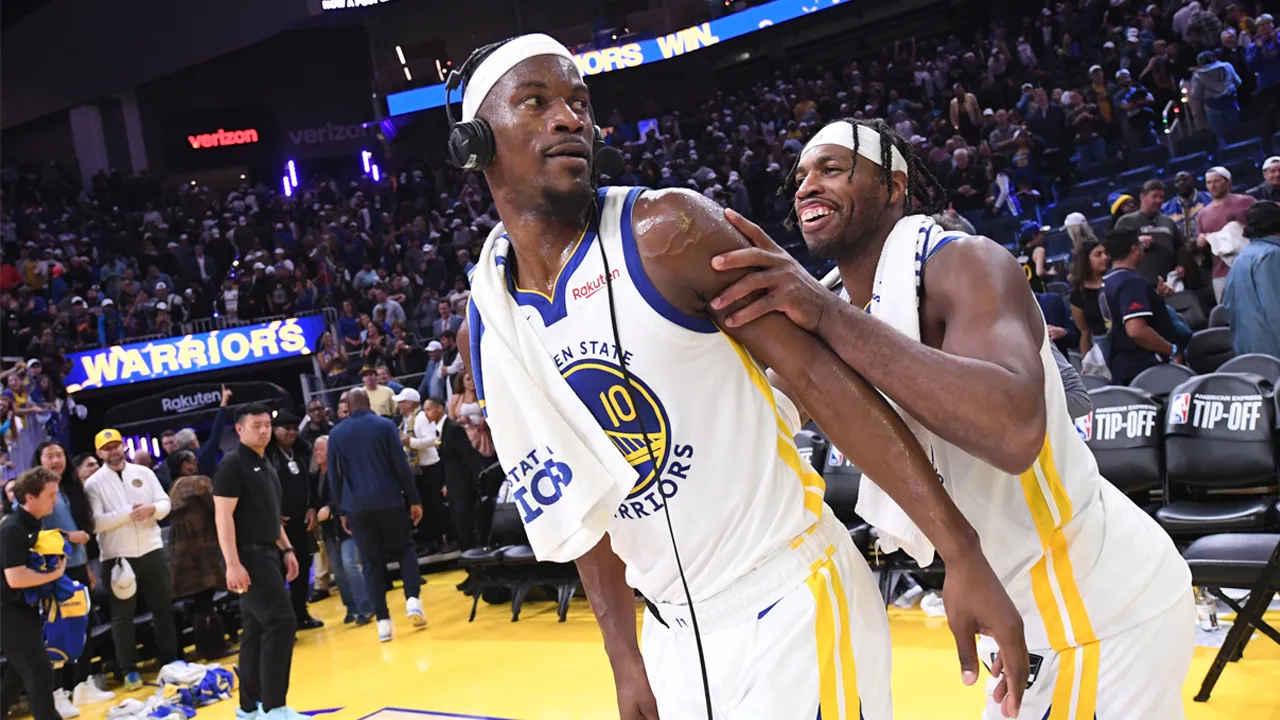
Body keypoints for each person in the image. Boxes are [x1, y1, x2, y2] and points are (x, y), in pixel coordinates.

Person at [454, 36, 1024, 720]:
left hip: (791, 600)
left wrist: (959, 551)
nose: (569, 118)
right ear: (475, 141)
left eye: (580, 102)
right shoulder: (492, 319)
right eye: (535, 102)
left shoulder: (665, 232)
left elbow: (818, 377)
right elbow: (580, 503)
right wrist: (625, 660)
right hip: (671, 635)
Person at [707, 118, 1192, 719]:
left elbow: (1012, 432)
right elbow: (762, 420)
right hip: (1033, 615)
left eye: (831, 169)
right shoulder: (839, 305)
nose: (807, 186)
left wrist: (825, 316)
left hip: (1097, 609)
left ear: (894, 186)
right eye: (801, 176)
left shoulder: (965, 262)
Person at [212, 404, 303, 720]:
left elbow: (270, 513)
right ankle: (274, 707)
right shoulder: (232, 465)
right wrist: (232, 563)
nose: (264, 430)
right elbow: (223, 517)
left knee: (254, 628)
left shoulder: (264, 462)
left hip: (267, 551)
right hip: (248, 555)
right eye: (256, 425)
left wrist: (287, 549)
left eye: (266, 425)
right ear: (239, 429)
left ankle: (249, 708)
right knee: (281, 622)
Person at [326, 388, 427, 642]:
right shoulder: (385, 426)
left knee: (370, 563)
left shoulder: (336, 434)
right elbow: (401, 465)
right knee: (405, 549)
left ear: (349, 406)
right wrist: (414, 499)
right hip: (389, 499)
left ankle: (383, 622)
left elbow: (334, 476)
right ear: (368, 402)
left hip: (356, 506)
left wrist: (341, 509)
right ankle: (412, 600)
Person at [83, 428, 179, 691]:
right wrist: (129, 513)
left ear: (123, 447)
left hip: (152, 548)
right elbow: (95, 523)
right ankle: (129, 670)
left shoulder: (144, 473)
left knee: (163, 607)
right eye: (107, 448)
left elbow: (165, 503)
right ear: (99, 453)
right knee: (122, 616)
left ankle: (171, 660)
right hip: (117, 557)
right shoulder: (93, 484)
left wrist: (153, 509)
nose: (113, 451)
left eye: (116, 446)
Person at [32, 442, 111, 712]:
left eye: (60, 455)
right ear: (39, 460)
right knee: (58, 632)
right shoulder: (34, 492)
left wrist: (86, 566)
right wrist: (67, 537)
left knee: (82, 628)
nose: (56, 460)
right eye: (49, 456)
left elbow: (80, 532)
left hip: (77, 565)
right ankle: (57, 693)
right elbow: (32, 533)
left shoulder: (70, 489)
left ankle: (82, 685)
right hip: (52, 570)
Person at [0, 467, 65, 720]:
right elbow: (15, 578)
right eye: (50, 495)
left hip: (24, 607)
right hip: (7, 610)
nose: (55, 500)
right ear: (30, 497)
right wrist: (54, 574)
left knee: (19, 673)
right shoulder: (12, 528)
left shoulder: (33, 523)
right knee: (39, 671)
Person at [166, 449, 230, 660]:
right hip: (200, 549)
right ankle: (216, 647)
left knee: (199, 604)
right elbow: (218, 506)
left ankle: (204, 647)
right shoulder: (199, 483)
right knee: (206, 603)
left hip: (181, 552)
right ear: (185, 465)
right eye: (192, 461)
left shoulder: (172, 488)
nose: (196, 465)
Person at [265, 411, 322, 630]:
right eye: (286, 429)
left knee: (303, 567)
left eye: (294, 429)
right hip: (279, 526)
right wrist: (272, 514)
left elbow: (313, 482)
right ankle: (282, 621)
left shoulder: (302, 451)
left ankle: (300, 614)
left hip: (302, 522)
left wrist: (312, 507)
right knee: (279, 572)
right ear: (274, 431)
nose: (291, 433)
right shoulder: (267, 456)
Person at [312, 435, 372, 625]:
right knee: (338, 571)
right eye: (316, 449)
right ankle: (351, 608)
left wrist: (330, 507)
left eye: (322, 449)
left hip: (347, 526)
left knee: (350, 564)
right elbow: (314, 500)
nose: (318, 453)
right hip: (329, 531)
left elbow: (344, 495)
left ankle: (366, 607)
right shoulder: (315, 476)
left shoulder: (340, 471)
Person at [423, 396, 483, 553]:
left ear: (439, 408)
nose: (426, 413)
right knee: (458, 522)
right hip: (453, 483)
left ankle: (472, 556)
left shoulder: (453, 429)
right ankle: (467, 555)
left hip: (462, 484)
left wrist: (477, 480)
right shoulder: (441, 429)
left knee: (465, 523)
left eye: (428, 409)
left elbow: (468, 455)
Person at [1223, 201, 1280, 357]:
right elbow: (1275, 310)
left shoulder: (1242, 257)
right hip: (1273, 351)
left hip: (1246, 351)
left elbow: (1228, 305)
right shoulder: (1273, 255)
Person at [1195, 166, 1256, 302]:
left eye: (1216, 181)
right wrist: (1200, 243)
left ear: (1228, 181)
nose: (1212, 186)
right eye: (1209, 182)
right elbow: (1201, 247)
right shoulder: (1203, 214)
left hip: (1250, 267)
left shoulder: (1246, 202)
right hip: (1221, 273)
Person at [394, 388, 445, 550]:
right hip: (416, 468)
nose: (399, 405)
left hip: (429, 466)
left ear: (411, 403)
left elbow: (432, 440)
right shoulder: (405, 420)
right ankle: (426, 540)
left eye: (402, 402)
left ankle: (437, 540)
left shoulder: (422, 417)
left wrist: (411, 442)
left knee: (432, 505)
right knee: (421, 504)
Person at [1069, 239, 1110, 358]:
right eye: (1098, 254)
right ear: (1086, 260)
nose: (1105, 257)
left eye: (1106, 253)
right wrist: (1087, 360)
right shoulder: (1078, 293)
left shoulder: (1114, 281)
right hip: (1101, 345)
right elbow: (1085, 331)